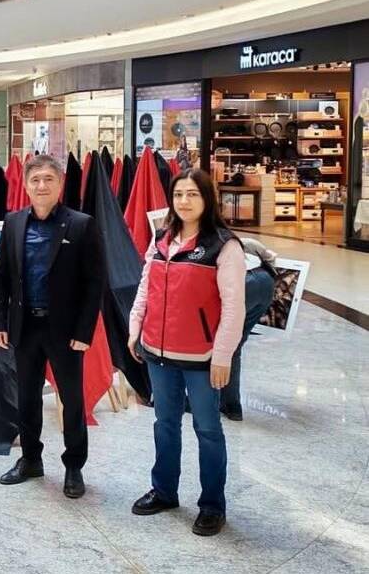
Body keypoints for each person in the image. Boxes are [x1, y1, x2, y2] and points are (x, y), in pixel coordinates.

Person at [127, 168, 245, 537]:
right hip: (158, 352)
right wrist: (135, 327)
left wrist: (222, 355)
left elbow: (234, 307)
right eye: (178, 194)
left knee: (207, 429)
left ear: (207, 198)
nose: (184, 201)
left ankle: (212, 505)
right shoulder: (162, 238)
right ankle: (164, 491)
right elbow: (145, 287)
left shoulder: (224, 246)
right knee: (164, 423)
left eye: (193, 193)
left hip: (201, 358)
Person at [0, 154, 105, 499]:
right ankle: (30, 459)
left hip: (65, 331)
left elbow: (94, 283)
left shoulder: (81, 225)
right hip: (25, 326)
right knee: (27, 397)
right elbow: (1, 275)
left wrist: (84, 332)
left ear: (60, 184)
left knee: (72, 400)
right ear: (26, 185)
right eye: (35, 180)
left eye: (48, 179)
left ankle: (74, 466)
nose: (42, 185)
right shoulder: (13, 223)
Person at [220, 238, 276, 421]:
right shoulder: (239, 241)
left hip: (244, 283)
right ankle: (231, 406)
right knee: (233, 346)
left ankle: (217, 402)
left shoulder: (213, 239)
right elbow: (268, 255)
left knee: (219, 343)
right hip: (265, 282)